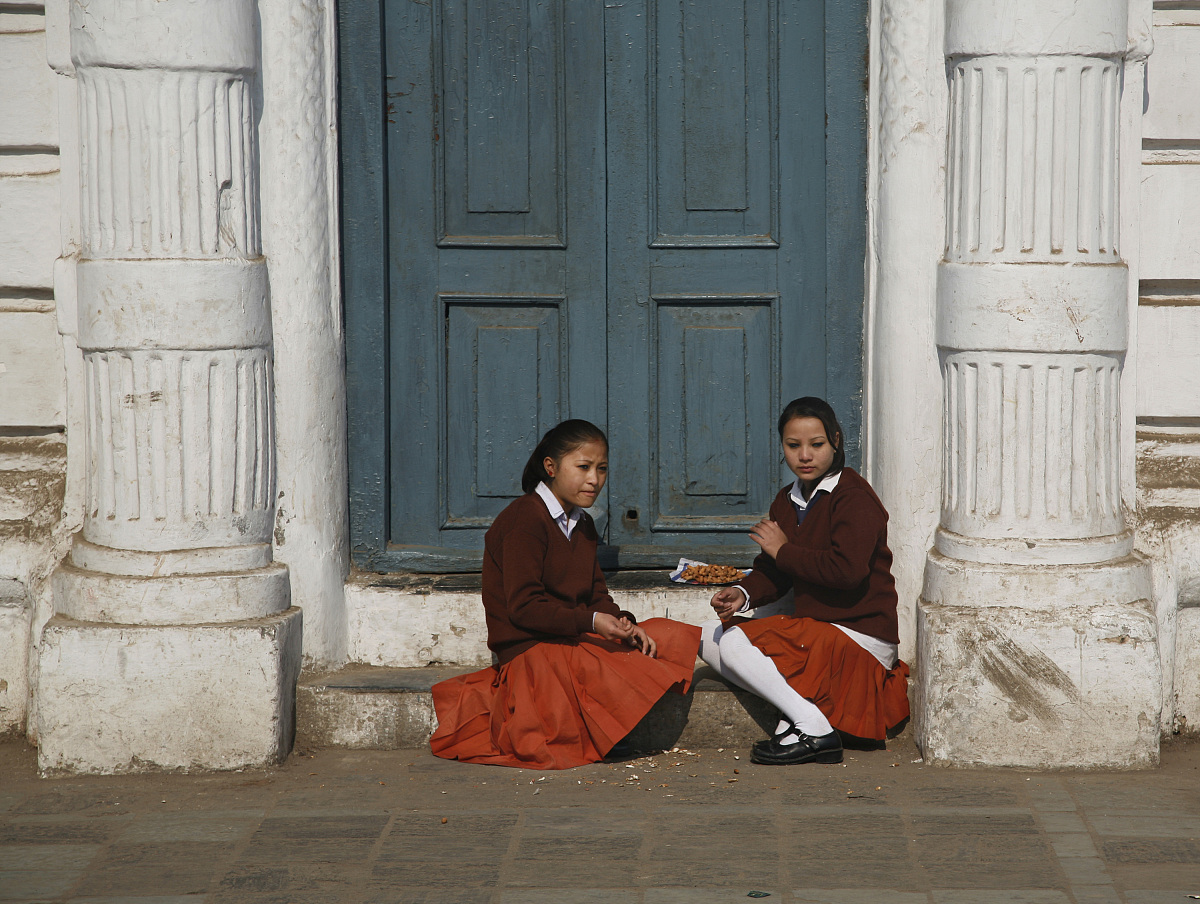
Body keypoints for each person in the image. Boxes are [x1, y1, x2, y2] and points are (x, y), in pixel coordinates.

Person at [430, 419, 702, 769]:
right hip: (533, 648)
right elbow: (524, 608)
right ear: (551, 467)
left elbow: (594, 592)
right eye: (584, 467)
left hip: (571, 636)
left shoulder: (582, 523)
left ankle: (599, 727)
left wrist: (622, 621)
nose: (594, 479)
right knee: (555, 739)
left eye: (602, 469)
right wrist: (590, 621)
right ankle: (593, 728)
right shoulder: (524, 519)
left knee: (665, 636)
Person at [700, 397, 910, 765]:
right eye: (793, 446)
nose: (805, 455)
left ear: (836, 442)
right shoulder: (788, 500)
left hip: (860, 636)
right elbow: (775, 571)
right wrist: (743, 594)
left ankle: (813, 727)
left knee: (733, 644)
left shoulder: (853, 497)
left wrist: (783, 551)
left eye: (817, 444)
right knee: (708, 635)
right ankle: (807, 716)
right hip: (817, 632)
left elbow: (847, 571)